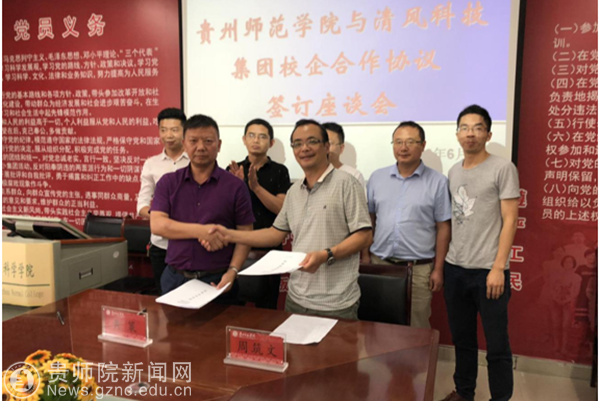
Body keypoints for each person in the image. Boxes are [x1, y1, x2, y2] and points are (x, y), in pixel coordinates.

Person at [203, 119, 372, 320]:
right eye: (297, 144)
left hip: (336, 303)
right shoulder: (294, 191)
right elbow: (274, 234)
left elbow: (364, 236)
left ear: (326, 146)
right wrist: (229, 235)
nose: (304, 148)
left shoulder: (347, 184)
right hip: (296, 299)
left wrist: (326, 255)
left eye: (312, 141)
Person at [441, 105, 520, 401]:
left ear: (488, 134)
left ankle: (500, 398)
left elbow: (510, 219)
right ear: (457, 134)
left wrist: (499, 267)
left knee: (497, 344)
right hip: (455, 268)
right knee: (463, 340)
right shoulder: (453, 171)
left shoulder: (502, 168)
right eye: (464, 127)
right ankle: (464, 393)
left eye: (477, 128)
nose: (470, 133)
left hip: (489, 270)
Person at [149, 114, 254, 301]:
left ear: (219, 145)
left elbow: (245, 233)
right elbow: (158, 225)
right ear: (184, 144)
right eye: (193, 141)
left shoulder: (235, 186)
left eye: (208, 141)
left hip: (218, 280)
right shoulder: (169, 182)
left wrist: (233, 271)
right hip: (175, 279)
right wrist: (203, 231)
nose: (201, 147)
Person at [367, 121, 451, 328]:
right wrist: (365, 257)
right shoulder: (377, 177)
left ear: (423, 145)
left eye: (410, 142)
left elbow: (443, 227)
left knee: (416, 328)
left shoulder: (438, 181)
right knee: (378, 326)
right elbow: (369, 220)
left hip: (418, 270)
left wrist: (438, 269)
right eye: (398, 142)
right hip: (380, 266)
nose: (403, 148)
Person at [227, 118, 291, 309]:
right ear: (244, 139)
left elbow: (281, 209)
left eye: (262, 136)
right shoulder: (233, 170)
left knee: (268, 308)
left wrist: (255, 187)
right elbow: (225, 211)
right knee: (233, 305)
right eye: (252, 135)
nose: (256, 140)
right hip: (237, 247)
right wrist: (239, 186)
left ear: (271, 143)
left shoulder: (280, 171)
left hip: (269, 247)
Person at [136, 108, 189, 294]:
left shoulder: (195, 161)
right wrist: (160, 216)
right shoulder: (151, 164)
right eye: (163, 130)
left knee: (189, 296)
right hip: (160, 244)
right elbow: (142, 204)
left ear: (184, 131)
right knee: (164, 295)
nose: (168, 135)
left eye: (174, 130)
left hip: (189, 243)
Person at [322, 122, 366, 193]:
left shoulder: (354, 176)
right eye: (321, 142)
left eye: (330, 143)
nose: (325, 147)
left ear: (341, 148)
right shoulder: (309, 176)